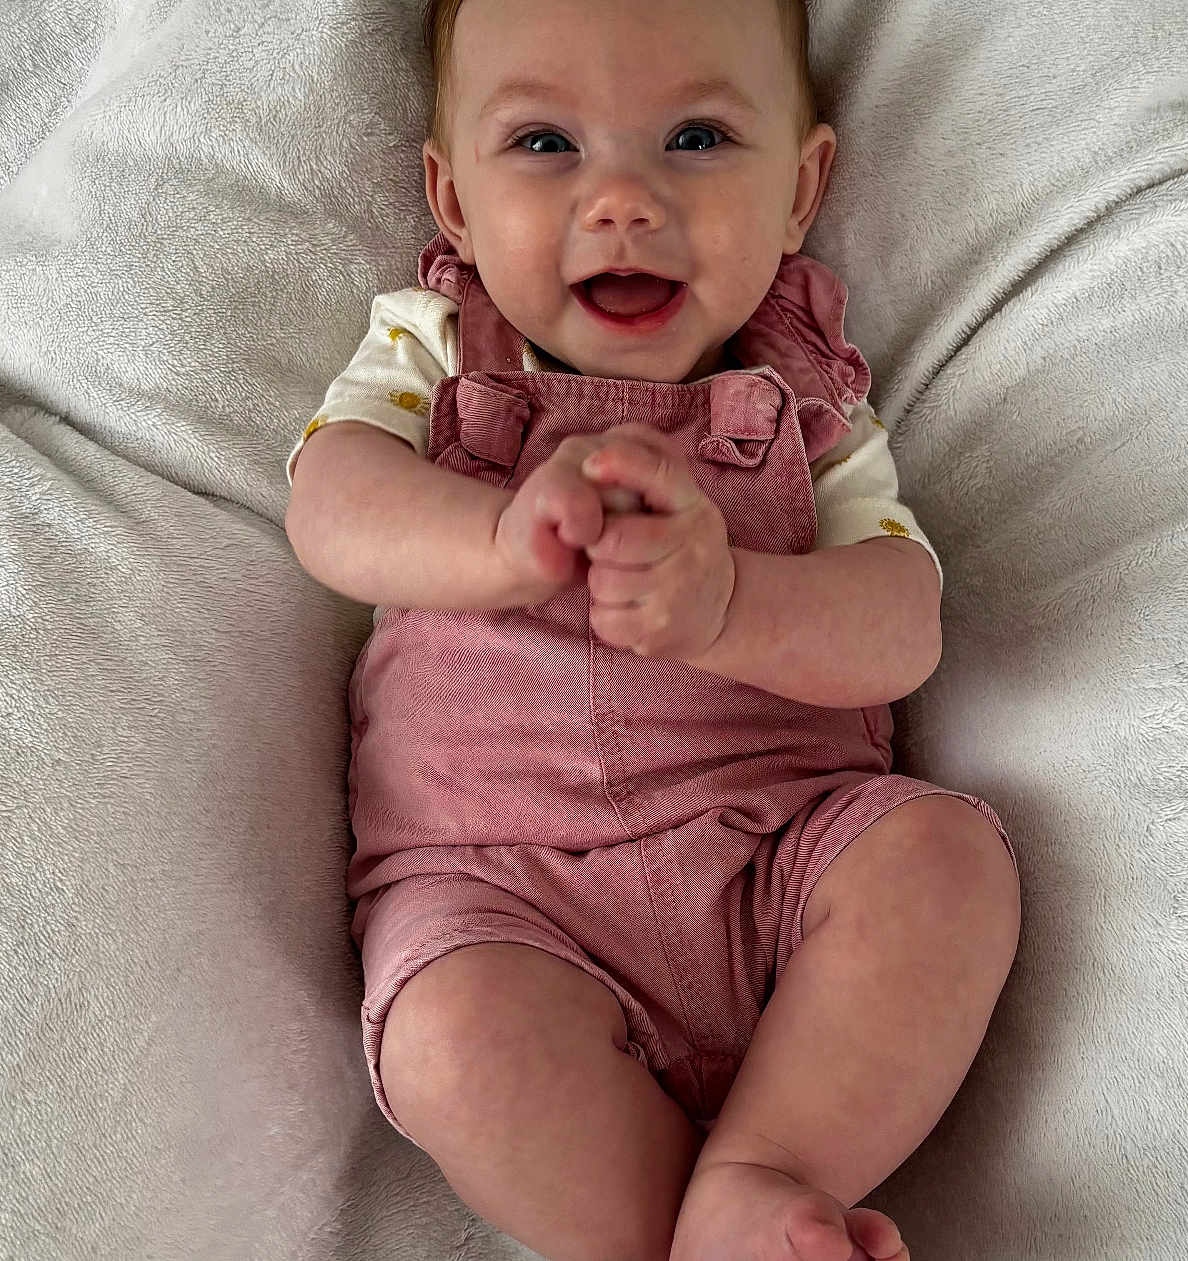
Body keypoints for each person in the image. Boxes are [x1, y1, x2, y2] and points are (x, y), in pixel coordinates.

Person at [283, 1, 1021, 1258]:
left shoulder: (807, 400)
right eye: (544, 144)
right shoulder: (433, 348)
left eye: (695, 138)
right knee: (449, 1041)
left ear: (800, 192)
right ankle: (695, 1231)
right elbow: (330, 504)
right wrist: (497, 541)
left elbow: (899, 625)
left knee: (945, 858)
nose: (622, 200)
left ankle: (764, 1169)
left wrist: (731, 606)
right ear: (451, 200)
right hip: (506, 901)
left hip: (781, 867)